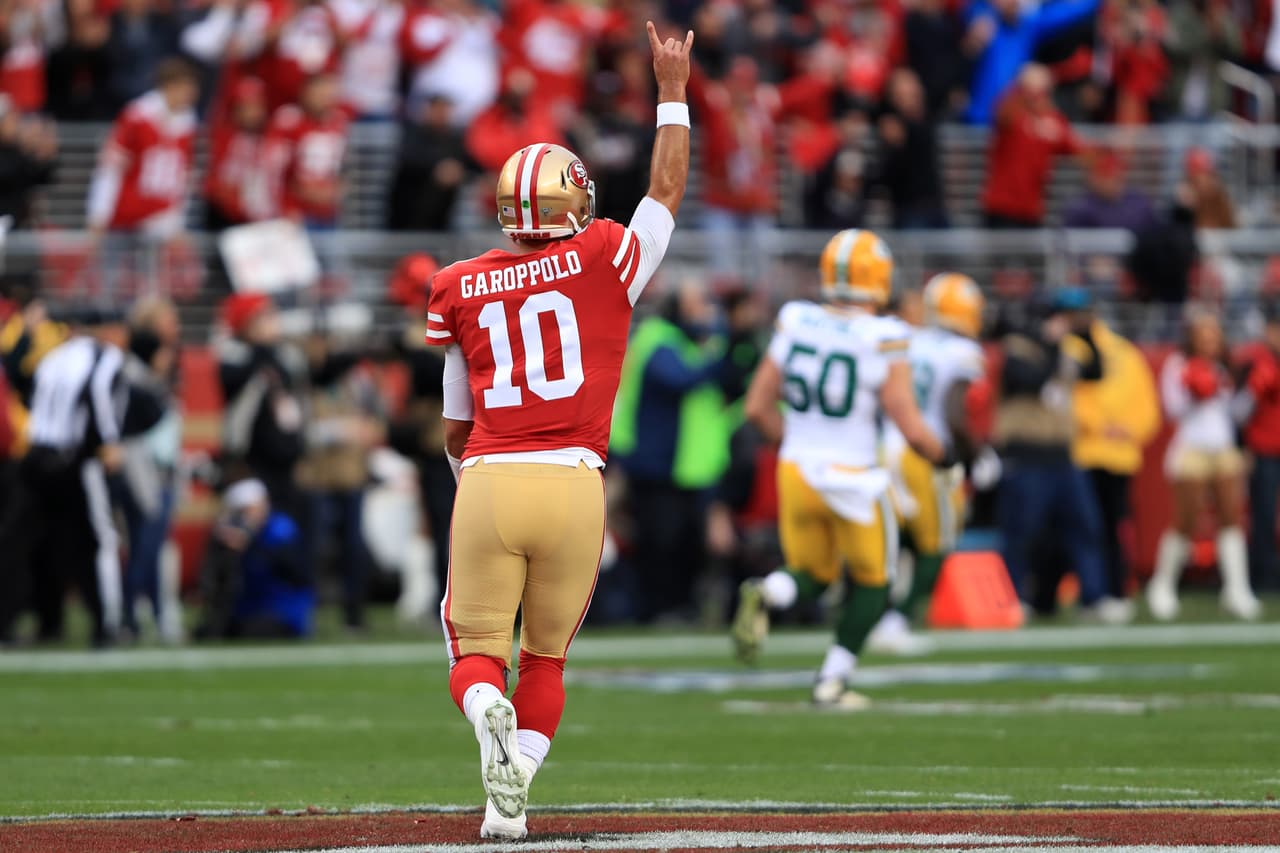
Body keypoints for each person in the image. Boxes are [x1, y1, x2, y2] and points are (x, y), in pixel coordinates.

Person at [423, 22, 692, 841]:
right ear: (576, 200)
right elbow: (666, 194)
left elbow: (452, 425)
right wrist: (672, 92)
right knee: (547, 657)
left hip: (494, 477)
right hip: (577, 480)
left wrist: (477, 482)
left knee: (473, 650)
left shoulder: (459, 285)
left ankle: (484, 718)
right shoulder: (607, 253)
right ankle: (515, 793)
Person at [731, 229, 951, 706]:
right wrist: (947, 456)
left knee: (812, 572)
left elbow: (756, 407)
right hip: (854, 477)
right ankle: (832, 680)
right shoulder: (885, 334)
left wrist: (797, 442)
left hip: (796, 468)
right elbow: (910, 425)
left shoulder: (797, 318)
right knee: (876, 582)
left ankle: (767, 592)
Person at [0, 310, 141, 646]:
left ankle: (22, 620)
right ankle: (106, 623)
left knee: (26, 542)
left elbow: (29, 394)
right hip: (73, 458)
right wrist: (108, 441)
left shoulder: (54, 357)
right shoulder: (103, 355)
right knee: (98, 540)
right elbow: (99, 393)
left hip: (35, 456)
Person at [869, 273, 986, 654]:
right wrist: (975, 456)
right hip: (924, 449)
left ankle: (880, 612)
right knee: (938, 541)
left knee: (896, 538)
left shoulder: (909, 338)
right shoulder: (961, 352)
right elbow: (954, 413)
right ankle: (896, 619)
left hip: (885, 445)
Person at [611, 282, 733, 623]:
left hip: (676, 463)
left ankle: (676, 606)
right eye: (695, 305)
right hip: (651, 461)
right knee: (658, 540)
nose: (702, 313)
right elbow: (683, 379)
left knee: (680, 540)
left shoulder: (676, 341)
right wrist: (720, 347)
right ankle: (654, 608)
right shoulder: (657, 339)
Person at [993, 290, 1111, 616]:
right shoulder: (1019, 348)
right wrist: (1051, 343)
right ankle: (1012, 598)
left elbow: (1098, 372)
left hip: (1063, 455)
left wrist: (1086, 333)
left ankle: (1094, 597)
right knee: (1021, 532)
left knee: (1085, 527)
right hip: (1027, 455)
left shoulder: (1066, 353)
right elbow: (1031, 380)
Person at [1147, 309, 1261, 621]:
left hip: (1223, 448)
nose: (1210, 340)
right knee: (1185, 518)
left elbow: (1235, 414)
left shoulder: (1226, 366)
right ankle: (1163, 586)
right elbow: (1172, 409)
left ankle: (1236, 590)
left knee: (1232, 517)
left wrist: (1251, 391)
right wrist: (1194, 392)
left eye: (1214, 334)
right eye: (1204, 334)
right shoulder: (1177, 364)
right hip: (1191, 449)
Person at [1069, 293, 1161, 617]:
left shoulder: (1084, 350)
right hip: (1103, 452)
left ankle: (1105, 592)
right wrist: (1122, 429)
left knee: (1098, 528)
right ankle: (1105, 592)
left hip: (1092, 452)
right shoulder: (1125, 352)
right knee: (1104, 527)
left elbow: (1145, 405)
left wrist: (1109, 428)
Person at [86, 56, 198, 246]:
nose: (192, 95)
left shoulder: (187, 124)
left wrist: (177, 220)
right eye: (187, 88)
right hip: (125, 220)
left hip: (161, 224)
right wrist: (99, 215)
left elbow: (182, 177)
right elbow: (110, 167)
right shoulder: (137, 117)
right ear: (170, 86)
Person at [981, 64, 1086, 229]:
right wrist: (1020, 88)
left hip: (1031, 210)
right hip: (1000, 206)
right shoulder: (1013, 110)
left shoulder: (1054, 120)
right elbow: (1002, 115)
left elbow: (1078, 151)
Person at [962, 0, 1100, 125]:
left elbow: (1065, 12)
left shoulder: (1027, 27)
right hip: (979, 117)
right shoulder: (985, 21)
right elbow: (966, 10)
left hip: (1012, 117)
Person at [1239, 302, 1280, 591]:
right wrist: (1254, 389)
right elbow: (1236, 412)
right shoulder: (1253, 360)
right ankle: (1263, 577)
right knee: (1263, 515)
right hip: (1264, 449)